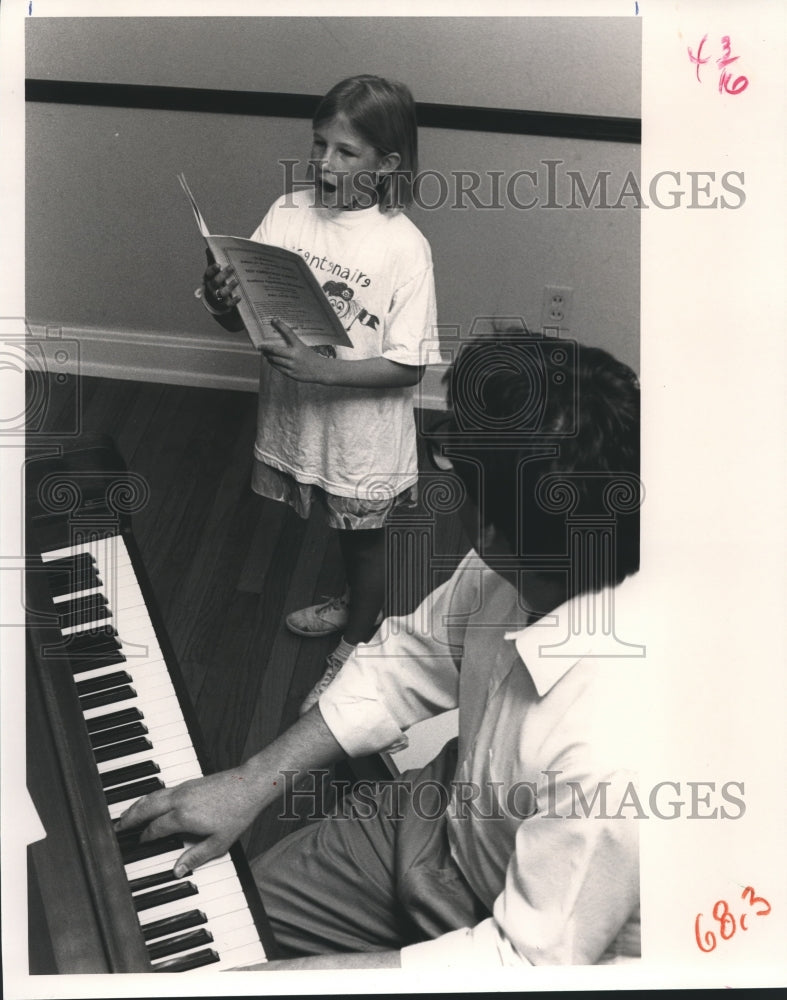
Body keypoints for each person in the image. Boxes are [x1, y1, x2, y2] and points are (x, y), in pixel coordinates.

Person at [117, 331, 644, 971]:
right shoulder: (532, 555)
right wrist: (251, 782)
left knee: (232, 973)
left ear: (492, 524)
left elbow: (523, 965)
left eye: (455, 464)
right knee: (214, 920)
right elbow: (406, 659)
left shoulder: (612, 752)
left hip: (514, 941)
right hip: (438, 818)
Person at [201, 75, 437, 711]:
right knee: (338, 527)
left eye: (345, 152)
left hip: (361, 437)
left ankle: (358, 644)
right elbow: (244, 315)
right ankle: (353, 608)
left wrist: (318, 369)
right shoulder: (287, 213)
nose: (323, 162)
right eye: (319, 144)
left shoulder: (403, 246)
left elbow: (408, 367)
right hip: (303, 422)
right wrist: (227, 302)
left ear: (387, 165)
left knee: (363, 538)